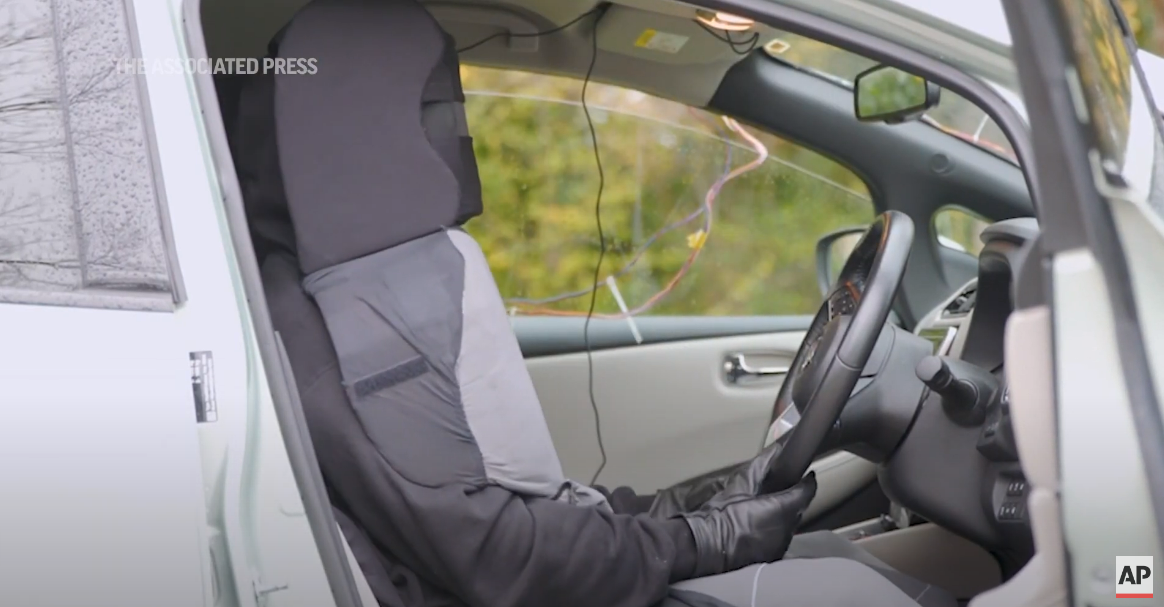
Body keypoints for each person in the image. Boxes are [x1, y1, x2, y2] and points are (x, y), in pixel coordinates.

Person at [231, 0, 957, 605]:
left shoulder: (314, 292)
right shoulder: (370, 306)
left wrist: (697, 505)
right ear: (364, 124)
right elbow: (493, 553)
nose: (458, 134)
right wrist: (702, 540)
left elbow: (502, 512)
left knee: (841, 566)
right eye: (438, 109)